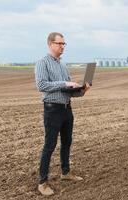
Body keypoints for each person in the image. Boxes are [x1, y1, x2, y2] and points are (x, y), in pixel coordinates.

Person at [35, 32, 90, 196]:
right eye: (60, 43)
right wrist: (65, 83)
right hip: (52, 110)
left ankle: (65, 173)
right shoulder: (42, 63)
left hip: (67, 108)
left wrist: (82, 90)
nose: (62, 46)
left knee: (67, 142)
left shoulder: (63, 65)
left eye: (64, 44)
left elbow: (68, 91)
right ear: (50, 44)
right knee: (49, 146)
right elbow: (42, 85)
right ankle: (42, 182)